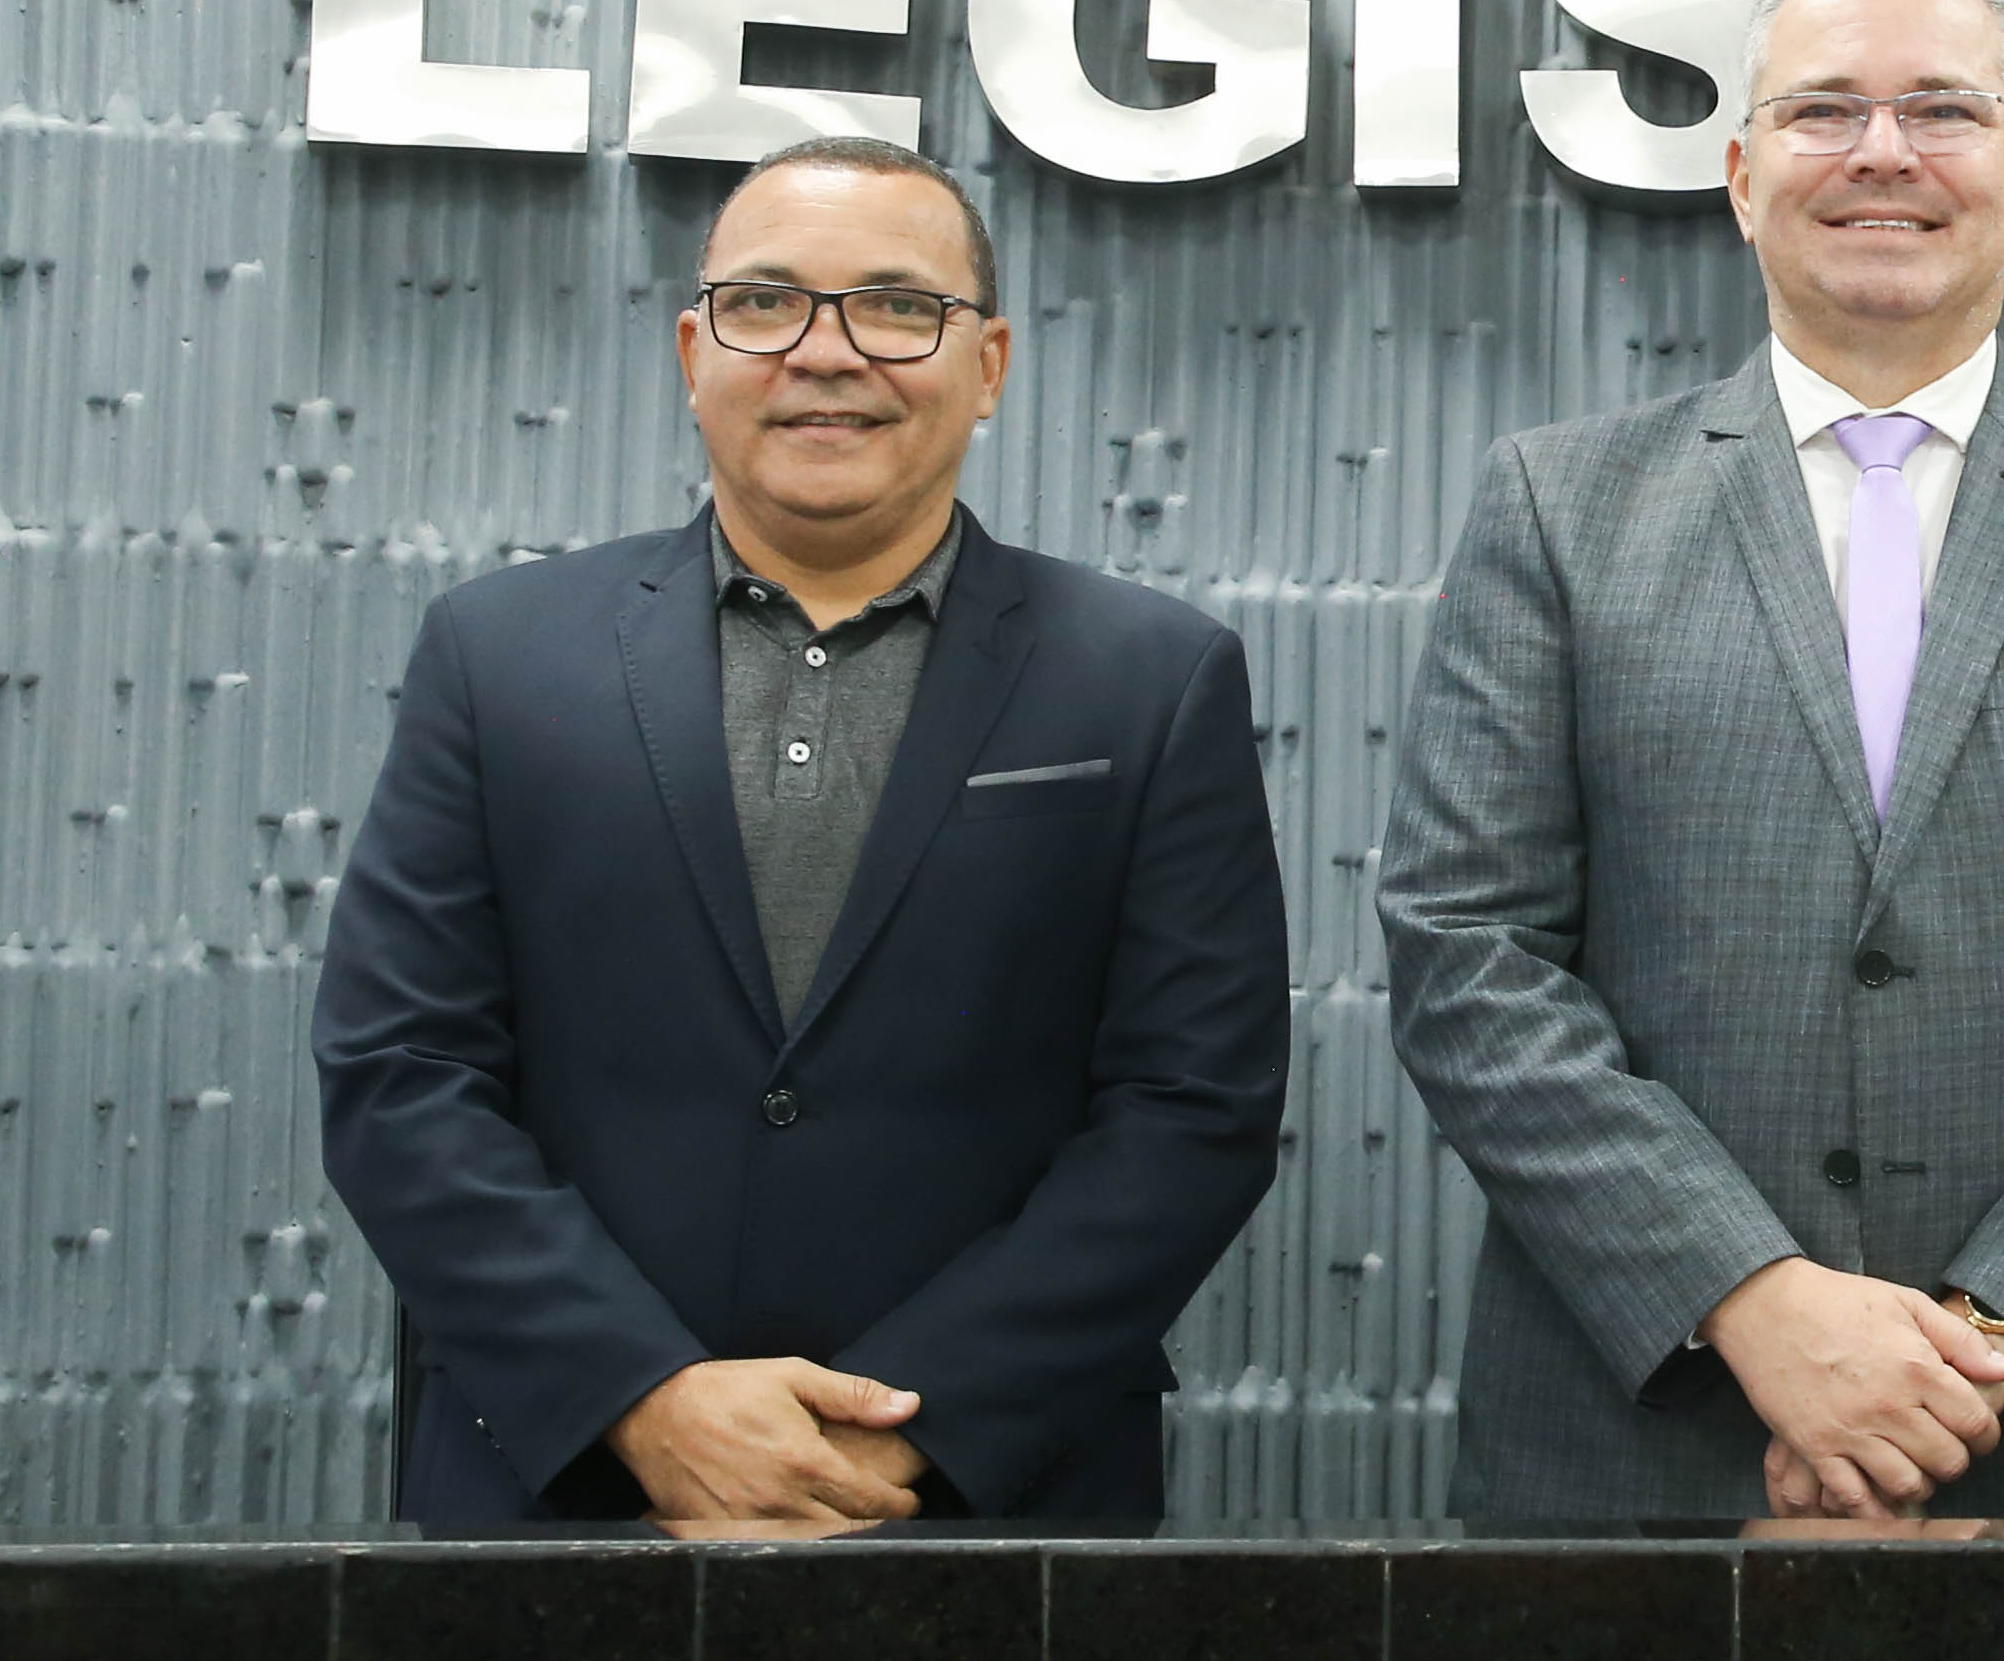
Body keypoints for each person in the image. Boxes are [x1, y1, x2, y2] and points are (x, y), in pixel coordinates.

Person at [1379, 0, 2004, 1524]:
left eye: (1943, 110)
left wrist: (1974, 1344)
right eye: (1823, 109)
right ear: (1740, 171)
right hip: (1648, 1442)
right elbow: (1465, 952)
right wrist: (1753, 1298)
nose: (1881, 152)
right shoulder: (1556, 509)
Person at [315, 136, 1291, 1531]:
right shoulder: (498, 653)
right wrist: (644, 1396)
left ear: (992, 363)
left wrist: (905, 1423)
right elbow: (400, 1071)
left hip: (986, 1501)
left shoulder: (1150, 675)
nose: (826, 352)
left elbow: (1192, 1109)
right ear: (691, 348)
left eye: (898, 306)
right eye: (765, 303)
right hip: (561, 1487)